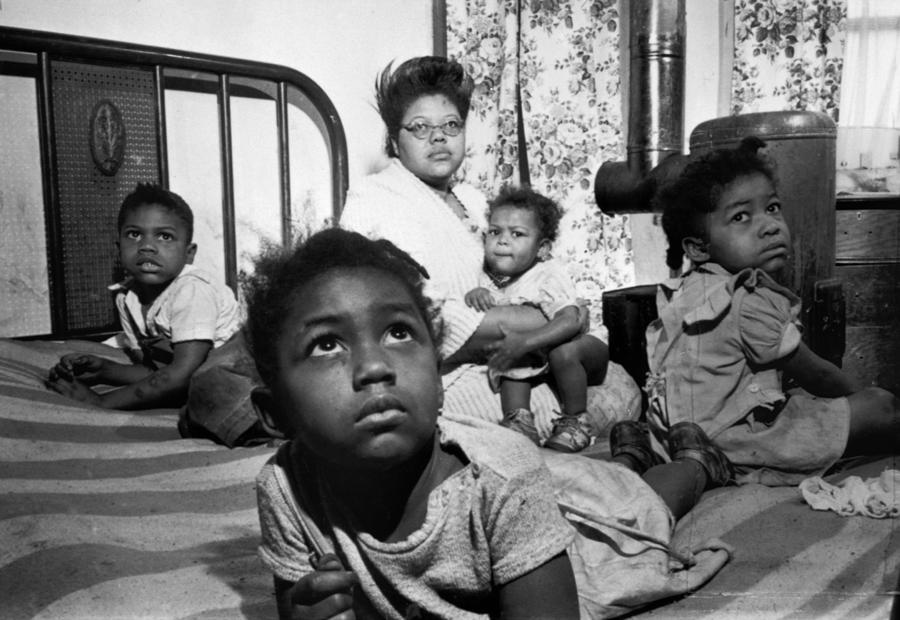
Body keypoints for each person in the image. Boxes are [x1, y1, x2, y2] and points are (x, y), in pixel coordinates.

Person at [245, 228, 729, 620]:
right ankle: (629, 453)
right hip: (537, 495)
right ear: (277, 414)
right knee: (602, 479)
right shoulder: (286, 488)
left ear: (438, 374)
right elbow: (298, 598)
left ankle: (695, 461)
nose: (375, 367)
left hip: (569, 548)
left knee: (641, 508)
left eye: (398, 332)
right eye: (327, 344)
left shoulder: (505, 480)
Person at [340, 55, 640, 441]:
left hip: (521, 351)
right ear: (394, 140)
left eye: (451, 125)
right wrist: (555, 319)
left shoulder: (475, 201)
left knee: (615, 380)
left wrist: (555, 314)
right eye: (419, 128)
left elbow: (529, 271)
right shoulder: (374, 198)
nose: (438, 137)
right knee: (615, 391)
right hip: (447, 374)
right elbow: (411, 318)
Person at [610, 137, 900, 488]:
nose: (770, 225)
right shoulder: (747, 298)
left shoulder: (686, 290)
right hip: (736, 442)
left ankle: (645, 457)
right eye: (741, 216)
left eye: (773, 208)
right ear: (699, 248)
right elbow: (819, 376)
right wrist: (861, 402)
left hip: (678, 432)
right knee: (881, 406)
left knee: (798, 402)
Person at [46, 183, 241, 410]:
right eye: (135, 234)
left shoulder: (192, 290)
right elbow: (154, 370)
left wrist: (100, 401)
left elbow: (183, 374)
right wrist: (104, 370)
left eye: (165, 237)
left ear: (189, 253)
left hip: (234, 378)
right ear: (119, 247)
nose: (147, 246)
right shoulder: (127, 297)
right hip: (192, 381)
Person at [464, 185, 610, 452]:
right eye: (495, 232)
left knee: (561, 352)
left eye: (517, 234)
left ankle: (576, 420)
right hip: (542, 351)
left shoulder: (547, 275)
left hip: (586, 347)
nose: (502, 241)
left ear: (542, 249)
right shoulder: (490, 278)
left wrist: (525, 341)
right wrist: (477, 292)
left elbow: (571, 321)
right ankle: (519, 421)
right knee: (510, 356)